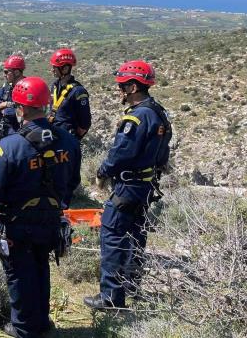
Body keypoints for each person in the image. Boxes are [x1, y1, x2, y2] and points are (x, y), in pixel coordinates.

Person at [0, 76, 81, 338]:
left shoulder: (10, 146)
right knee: (41, 267)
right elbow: (73, 181)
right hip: (51, 220)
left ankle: (25, 328)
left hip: (18, 223)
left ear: (21, 109)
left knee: (20, 273)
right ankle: (41, 322)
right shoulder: (68, 142)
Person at [84, 60, 172, 310]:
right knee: (135, 234)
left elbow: (121, 153)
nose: (119, 89)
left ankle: (111, 297)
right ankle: (132, 285)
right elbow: (164, 147)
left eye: (122, 85)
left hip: (128, 186)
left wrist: (102, 172)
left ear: (133, 87)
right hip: (146, 185)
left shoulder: (137, 117)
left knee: (112, 234)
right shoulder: (158, 111)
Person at [48, 49, 91, 140]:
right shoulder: (55, 86)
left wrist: (73, 138)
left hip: (67, 138)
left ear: (65, 69)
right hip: (53, 135)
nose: (52, 70)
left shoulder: (78, 91)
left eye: (55, 67)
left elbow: (85, 123)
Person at [0, 55, 25, 140]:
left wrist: (6, 110)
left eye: (6, 72)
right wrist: (5, 104)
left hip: (20, 134)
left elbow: (26, 111)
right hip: (5, 132)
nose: (4, 75)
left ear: (16, 72)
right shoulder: (7, 88)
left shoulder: (28, 88)